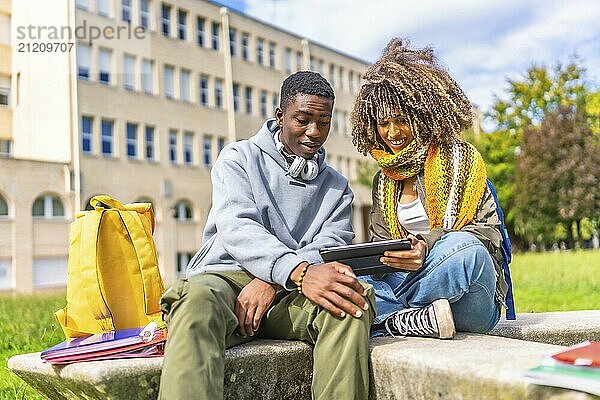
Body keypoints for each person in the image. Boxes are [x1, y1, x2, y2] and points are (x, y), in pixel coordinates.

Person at [159, 71, 374, 400]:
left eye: (324, 122)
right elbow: (238, 227)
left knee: (350, 299)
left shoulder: (338, 188)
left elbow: (330, 246)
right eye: (302, 119)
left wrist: (277, 280)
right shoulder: (238, 159)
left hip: (288, 292)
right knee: (195, 300)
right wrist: (296, 271)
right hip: (227, 281)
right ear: (280, 116)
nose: (314, 132)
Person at [349, 38, 508, 339]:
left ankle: (386, 316)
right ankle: (415, 319)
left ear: (422, 116)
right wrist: (381, 259)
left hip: (468, 298)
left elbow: (490, 237)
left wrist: (425, 245)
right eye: (383, 123)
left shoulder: (463, 162)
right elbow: (382, 247)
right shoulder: (383, 180)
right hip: (412, 286)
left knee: (467, 251)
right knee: (350, 273)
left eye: (401, 120)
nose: (392, 133)